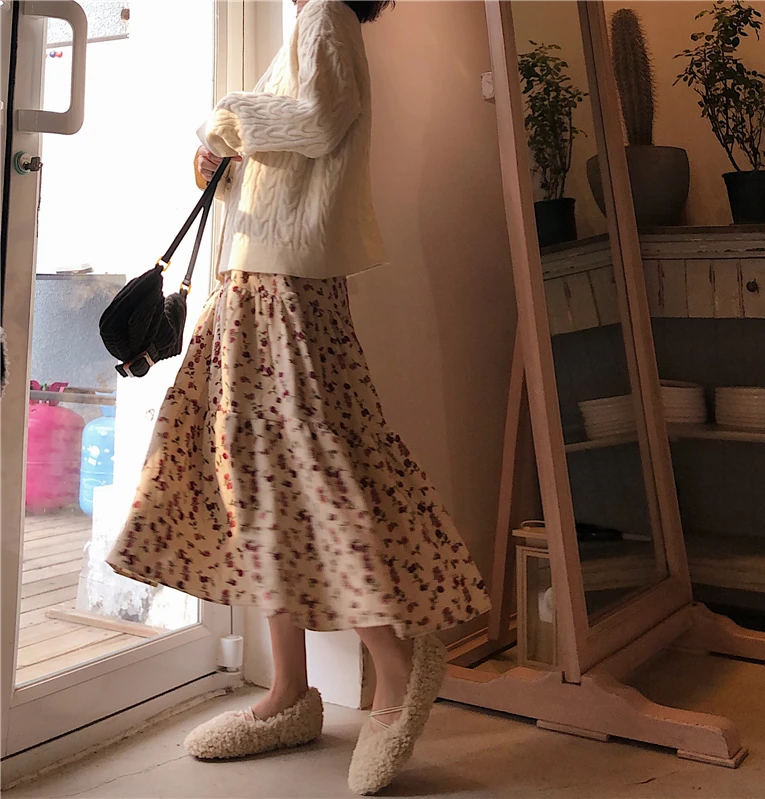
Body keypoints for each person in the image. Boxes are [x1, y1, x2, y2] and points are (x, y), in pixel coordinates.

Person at [106, 0, 490, 793]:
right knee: (261, 479)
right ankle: (289, 690)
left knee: (305, 473)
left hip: (283, 285)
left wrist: (223, 122)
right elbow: (300, 147)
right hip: (260, 278)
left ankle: (393, 663)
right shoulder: (314, 21)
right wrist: (225, 158)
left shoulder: (325, 15)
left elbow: (319, 120)